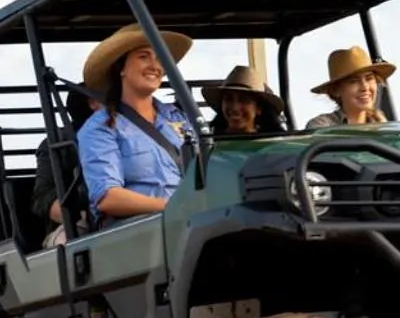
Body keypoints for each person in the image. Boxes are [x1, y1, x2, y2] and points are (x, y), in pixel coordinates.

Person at [74, 24, 196, 224]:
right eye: (143, 56)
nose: (154, 66)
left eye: (159, 58)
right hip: (140, 231)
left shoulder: (177, 118)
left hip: (191, 222)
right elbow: (108, 198)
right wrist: (176, 208)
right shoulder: (101, 127)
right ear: (121, 68)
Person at [32, 92, 100, 245]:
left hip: (127, 211)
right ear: (92, 103)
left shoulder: (127, 134)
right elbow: (42, 200)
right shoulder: (58, 143)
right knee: (67, 242)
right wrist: (84, 215)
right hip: (79, 222)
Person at [305, 45, 396, 129]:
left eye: (369, 78)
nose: (364, 87)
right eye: (353, 81)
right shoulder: (322, 125)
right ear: (336, 90)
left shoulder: (382, 124)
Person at [204, 64, 285, 137]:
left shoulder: (273, 147)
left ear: (259, 108)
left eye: (244, 100)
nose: (235, 107)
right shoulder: (207, 145)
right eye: (229, 99)